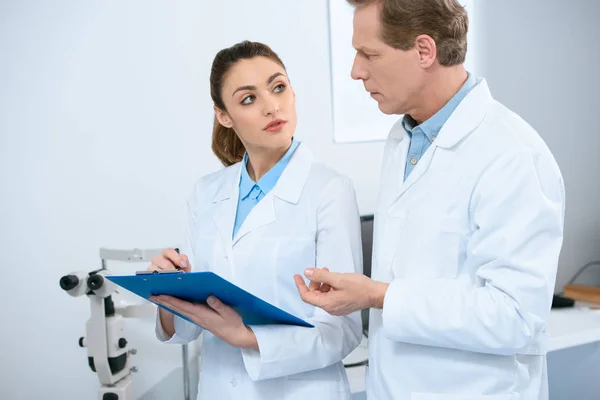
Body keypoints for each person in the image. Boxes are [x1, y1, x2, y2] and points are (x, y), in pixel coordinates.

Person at [295, 1, 565, 399]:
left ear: (424, 50)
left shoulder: (513, 154)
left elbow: (517, 317)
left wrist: (378, 295)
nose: (356, 71)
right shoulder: (402, 140)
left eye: (369, 54)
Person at [148, 41, 363, 399]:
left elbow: (343, 330)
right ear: (224, 116)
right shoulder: (206, 193)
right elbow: (187, 328)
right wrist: (166, 292)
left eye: (278, 87)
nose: (271, 106)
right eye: (248, 98)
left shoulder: (329, 190)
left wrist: (247, 338)